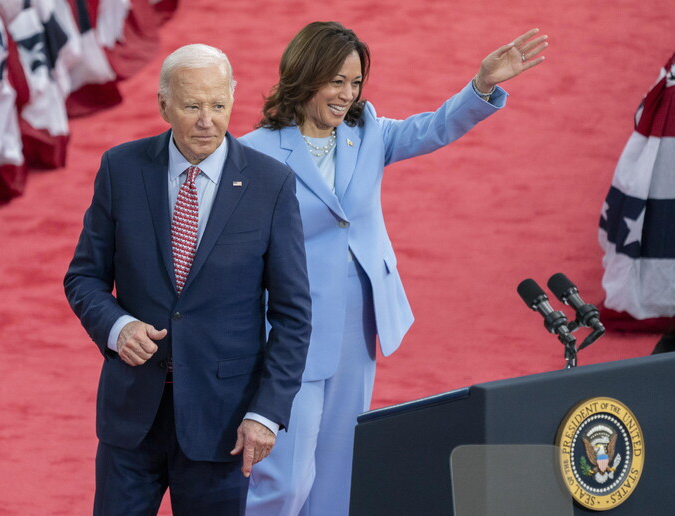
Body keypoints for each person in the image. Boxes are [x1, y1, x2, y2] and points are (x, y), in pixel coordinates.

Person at [240, 21, 548, 516]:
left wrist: (483, 85)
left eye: (356, 82)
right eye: (336, 81)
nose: (347, 94)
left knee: (339, 475)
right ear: (304, 76)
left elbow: (434, 128)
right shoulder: (255, 152)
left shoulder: (366, 133)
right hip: (290, 332)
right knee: (285, 482)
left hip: (357, 325)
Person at [64, 43, 312, 516]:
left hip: (222, 424)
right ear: (164, 105)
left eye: (218, 105)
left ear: (233, 100)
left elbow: (293, 316)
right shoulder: (121, 168)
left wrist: (266, 413)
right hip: (131, 420)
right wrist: (117, 328)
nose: (207, 120)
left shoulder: (271, 185)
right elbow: (84, 278)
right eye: (193, 105)